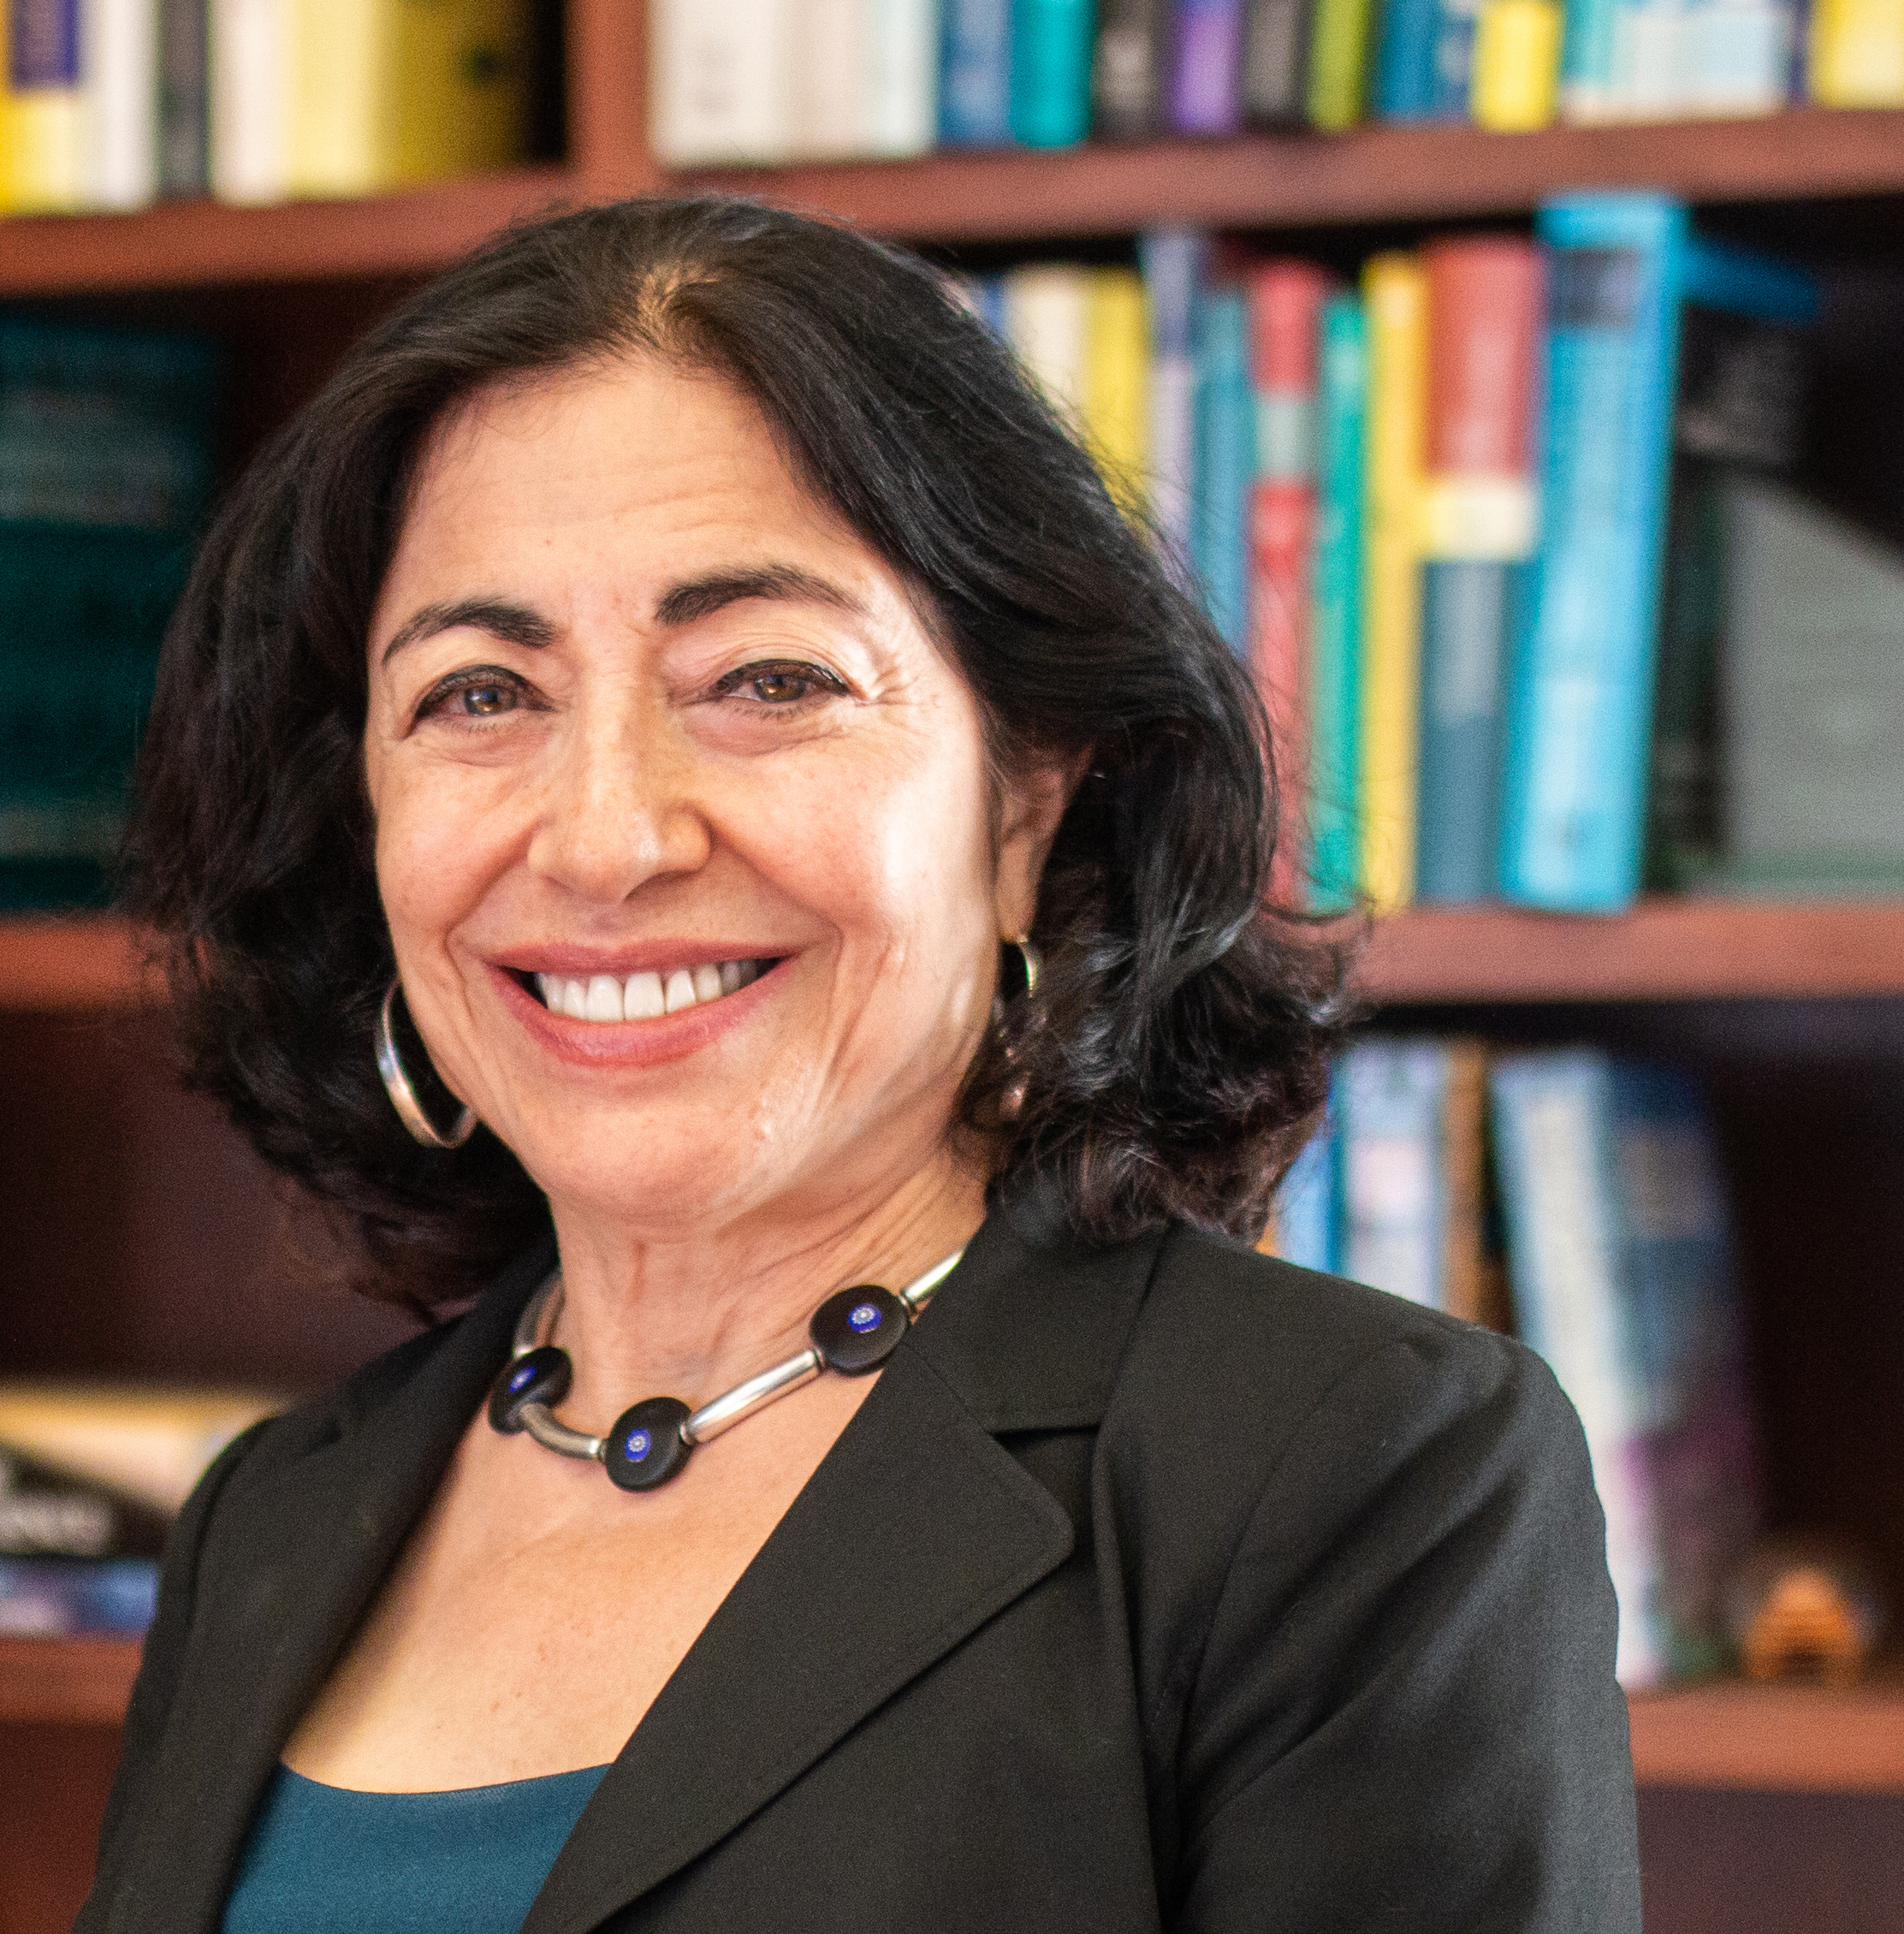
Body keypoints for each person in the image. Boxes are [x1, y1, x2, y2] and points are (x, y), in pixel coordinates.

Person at [81, 197, 1638, 1934]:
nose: (604, 837)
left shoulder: (1344, 1477)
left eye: (765, 676)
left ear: (1029, 788)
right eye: (478, 693)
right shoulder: (272, 1516)